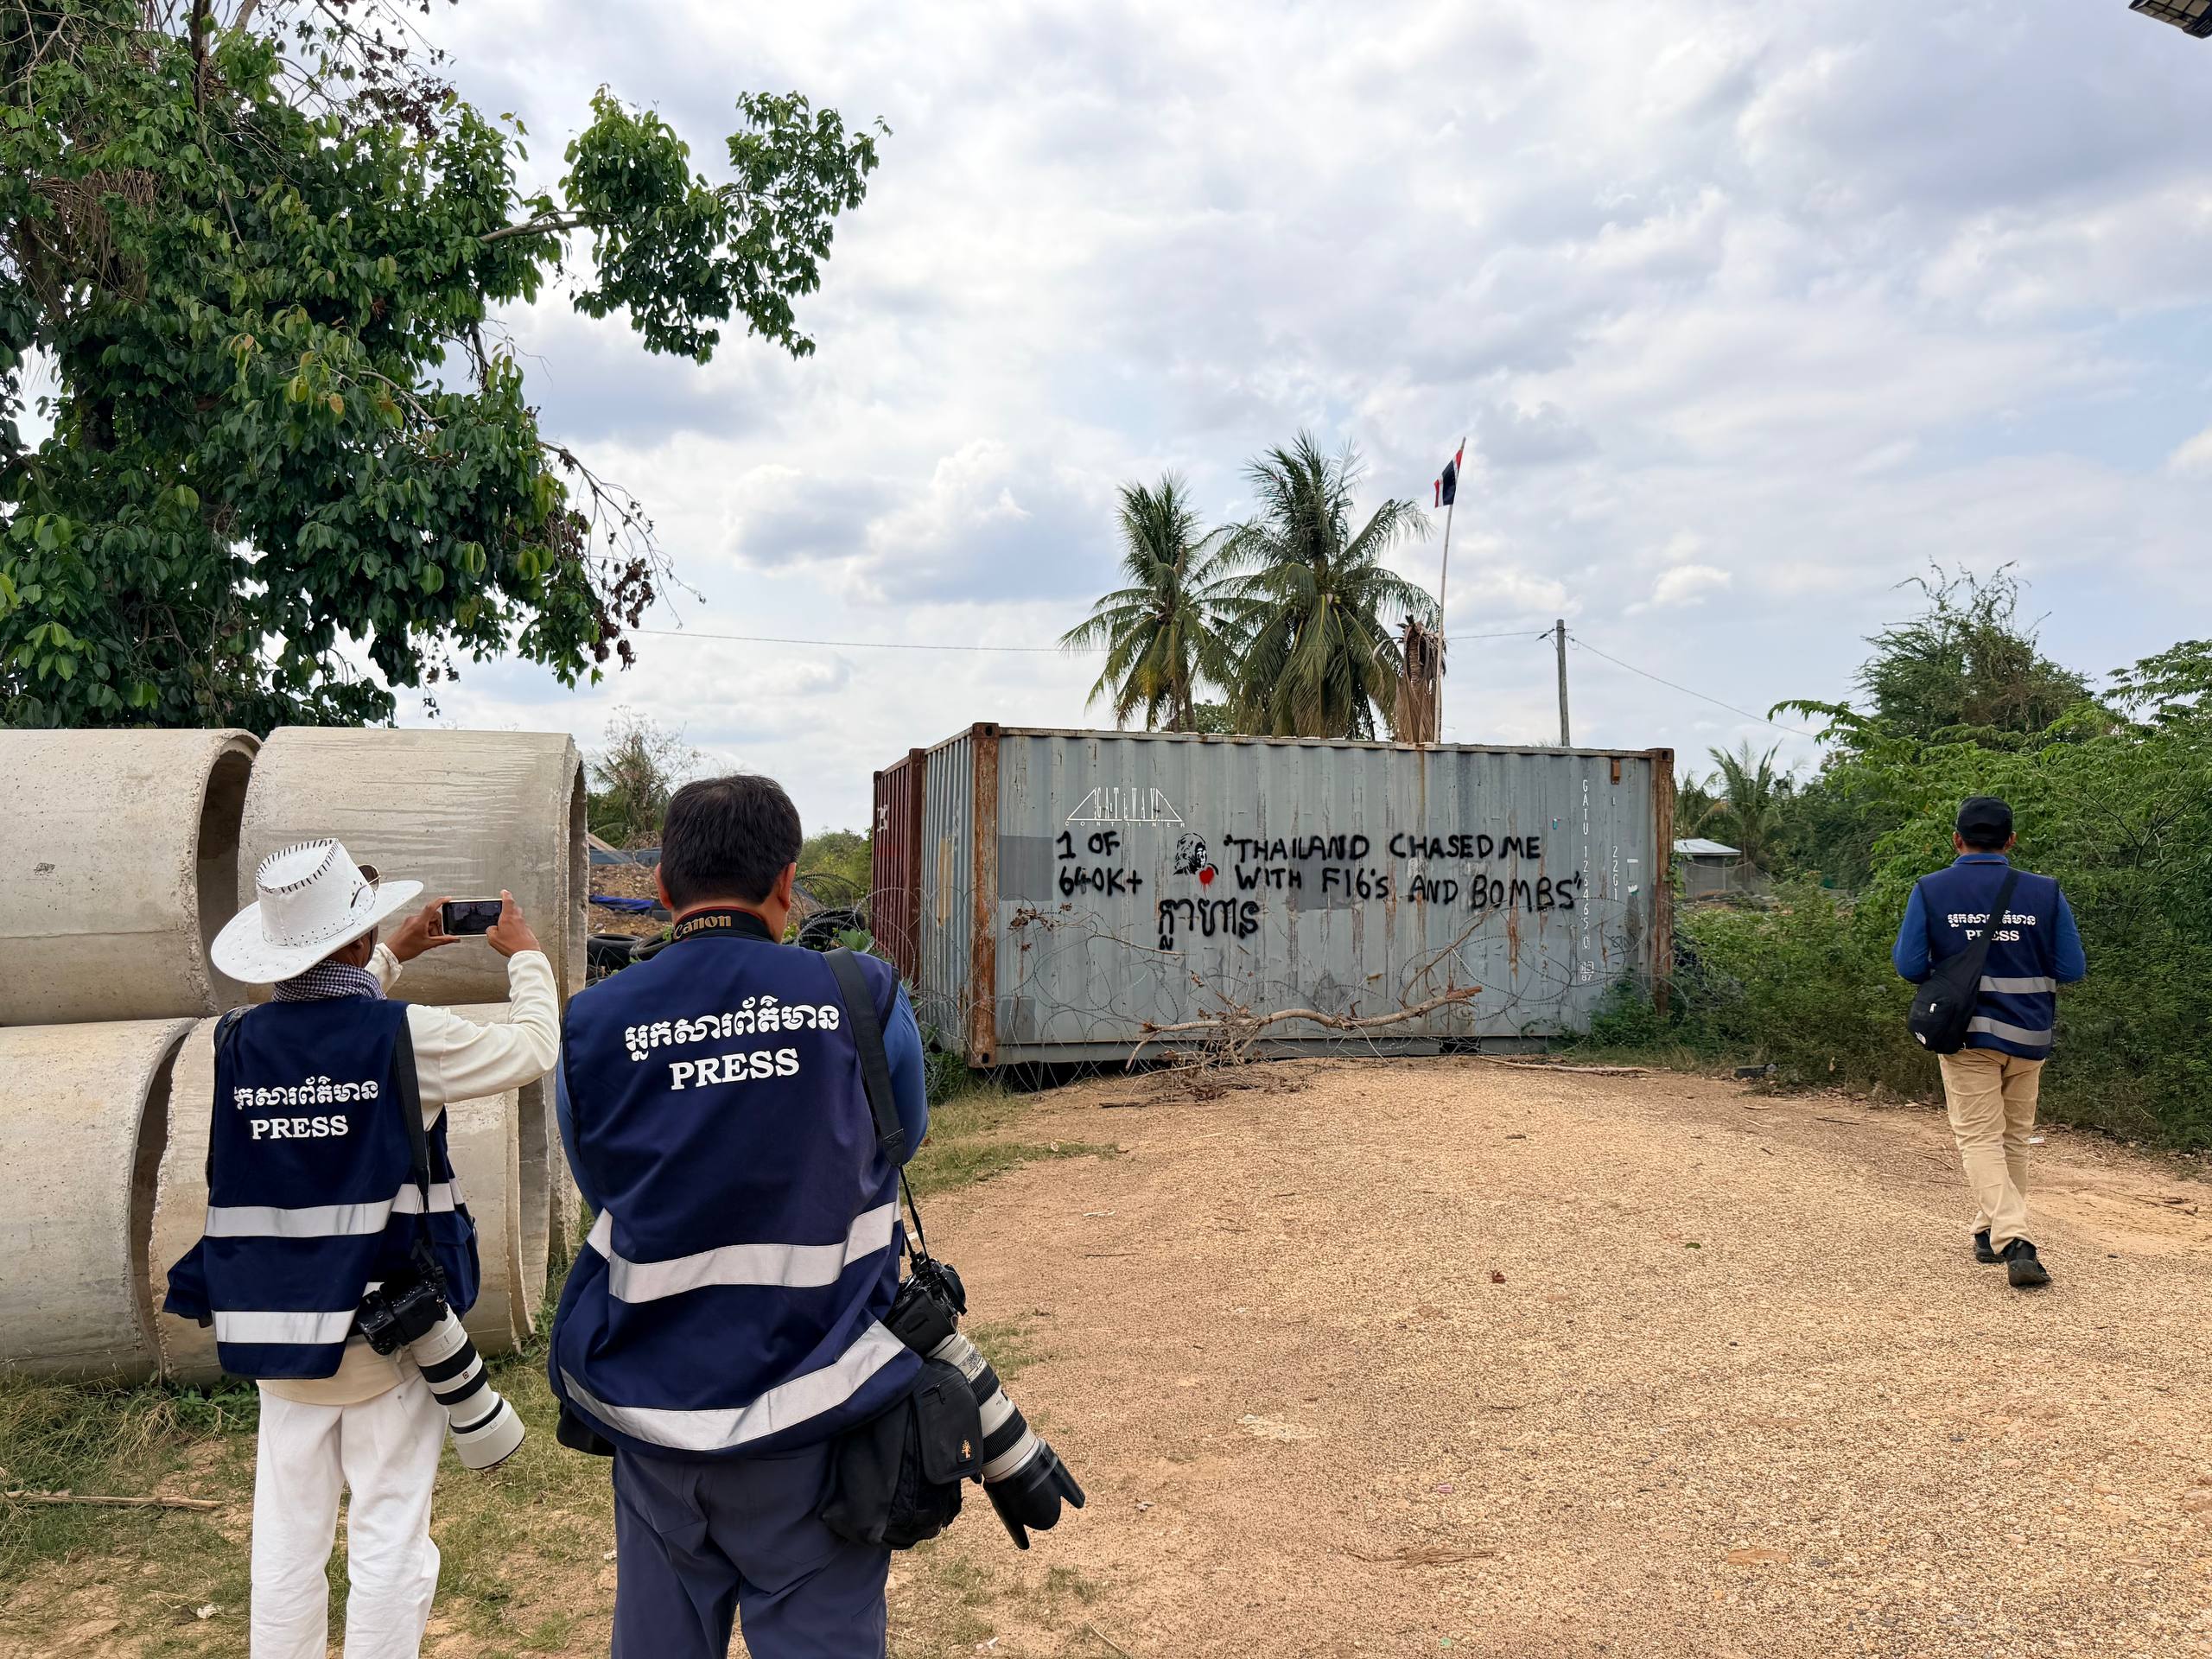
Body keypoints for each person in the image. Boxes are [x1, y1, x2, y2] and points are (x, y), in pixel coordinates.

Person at [549, 774, 930, 1659]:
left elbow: (602, 1186)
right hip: (821, 1414)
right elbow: (900, 1138)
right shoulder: (861, 995)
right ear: (787, 883)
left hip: (657, 1421)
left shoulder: (592, 1023)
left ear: (660, 886)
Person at [164, 840, 559, 1659]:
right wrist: (525, 956)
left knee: (285, 1542)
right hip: (388, 1335)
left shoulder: (235, 1041)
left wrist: (388, 958)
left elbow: (320, 1024)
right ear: (354, 938)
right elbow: (532, 1048)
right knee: (390, 1535)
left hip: (277, 1334)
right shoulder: (406, 1038)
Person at [1893, 796, 2086, 1289]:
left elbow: (1909, 966)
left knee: (1979, 1138)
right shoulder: (2044, 891)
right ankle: (1987, 1230)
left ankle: (2016, 1239)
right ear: (2011, 841)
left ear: (1957, 839)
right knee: (2013, 1138)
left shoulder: (1932, 889)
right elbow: (2071, 968)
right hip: (2029, 1034)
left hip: (1966, 1035)